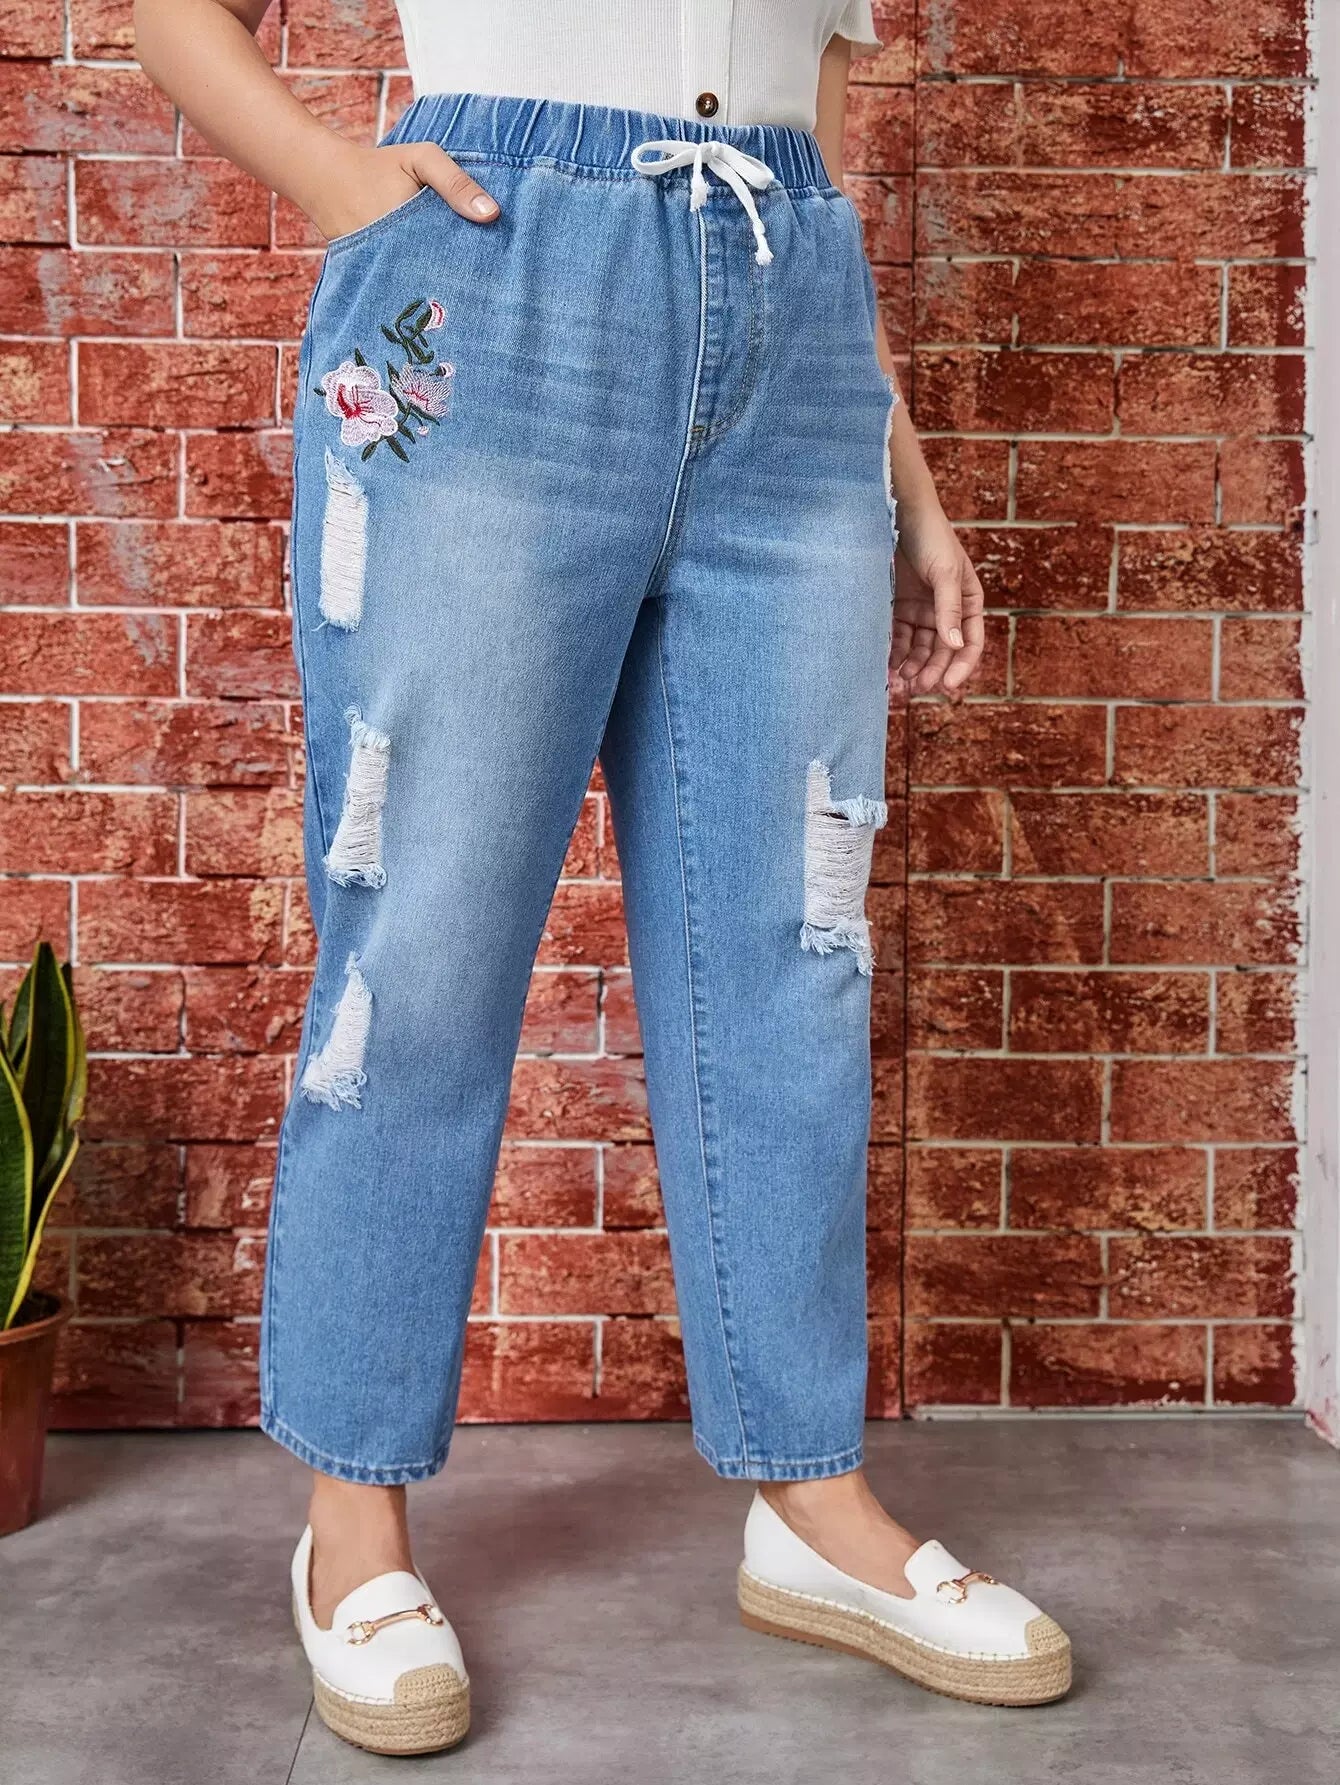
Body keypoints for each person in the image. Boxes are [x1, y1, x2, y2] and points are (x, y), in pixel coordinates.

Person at [135, 0, 1067, 1754]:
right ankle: (351, 1514)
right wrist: (346, 186)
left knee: (795, 946)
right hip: (496, 300)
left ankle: (807, 1494)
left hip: (796, 348)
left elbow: (817, 142)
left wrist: (908, 478)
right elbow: (169, 17)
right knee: (423, 925)